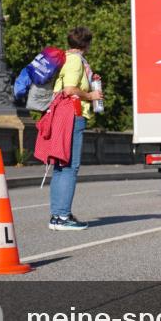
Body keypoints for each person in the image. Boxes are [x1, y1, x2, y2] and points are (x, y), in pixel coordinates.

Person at [49, 26, 103, 231]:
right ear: (86, 44)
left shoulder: (67, 58)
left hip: (64, 115)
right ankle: (62, 216)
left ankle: (59, 214)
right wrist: (91, 96)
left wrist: (91, 83)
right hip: (72, 115)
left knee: (61, 165)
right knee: (70, 167)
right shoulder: (75, 61)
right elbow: (69, 89)